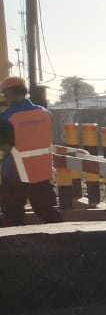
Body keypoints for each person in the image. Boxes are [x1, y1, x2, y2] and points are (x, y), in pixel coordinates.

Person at [0, 75, 63, 227]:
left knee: (13, 213)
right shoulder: (45, 113)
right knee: (46, 210)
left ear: (9, 93)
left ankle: (16, 247)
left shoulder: (5, 118)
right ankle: (65, 242)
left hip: (16, 171)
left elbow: (6, 147)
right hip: (41, 170)